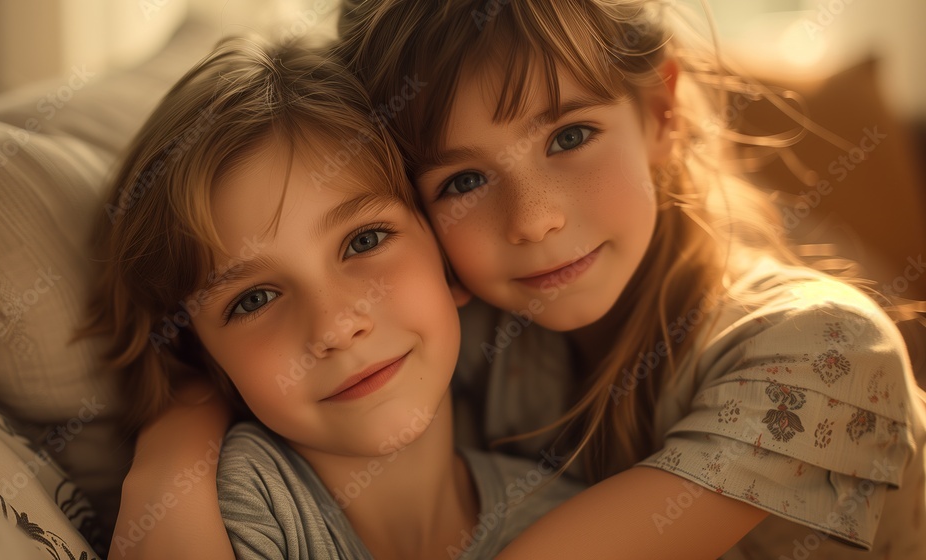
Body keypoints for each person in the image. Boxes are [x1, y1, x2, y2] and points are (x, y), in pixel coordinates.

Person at [332, 0, 926, 558]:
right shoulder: (477, 335)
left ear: (659, 114)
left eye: (570, 136)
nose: (534, 221)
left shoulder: (828, 348)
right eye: (463, 181)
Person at [84, 38, 582, 560]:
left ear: (447, 255)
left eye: (364, 241)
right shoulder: (237, 506)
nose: (335, 327)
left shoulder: (566, 516)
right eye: (254, 299)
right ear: (201, 355)